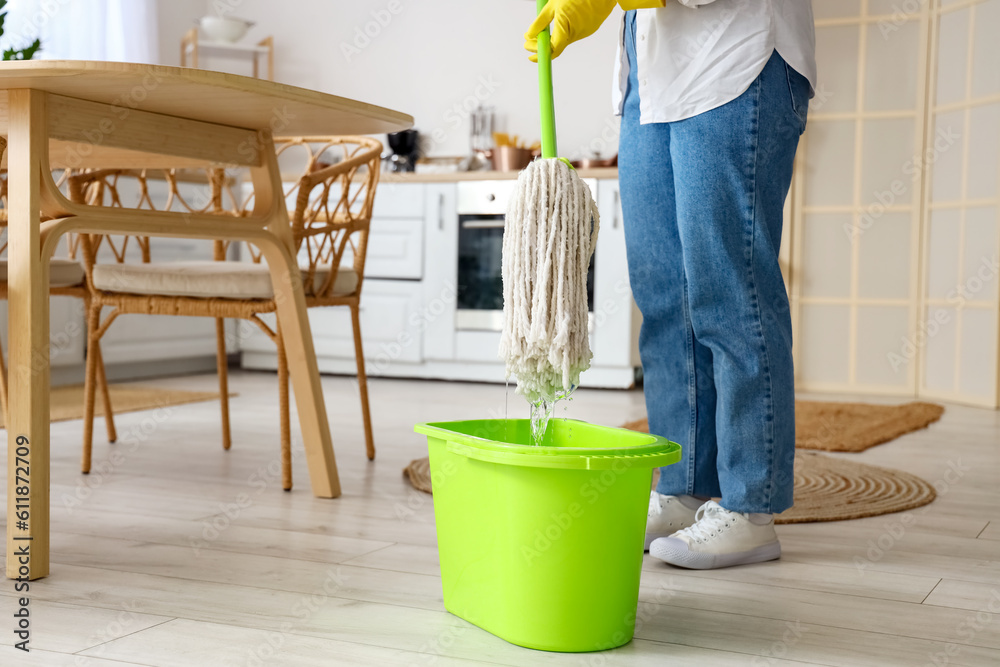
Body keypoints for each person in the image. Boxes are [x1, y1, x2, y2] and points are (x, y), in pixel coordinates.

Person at [525, 0, 815, 569]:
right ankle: (682, 490)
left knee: (730, 292)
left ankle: (750, 508)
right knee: (663, 299)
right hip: (650, 78)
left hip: (736, 56)